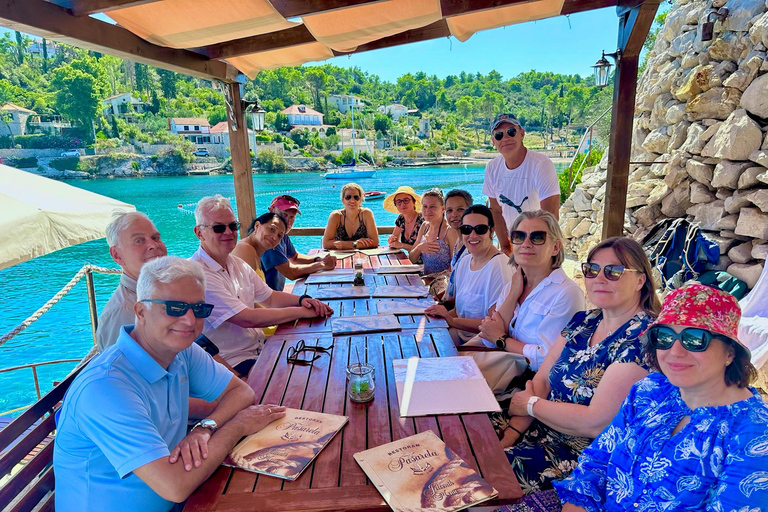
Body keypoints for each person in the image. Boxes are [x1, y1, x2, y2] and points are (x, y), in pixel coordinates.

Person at [54, 256, 287, 512]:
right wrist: (238, 426)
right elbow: (175, 486)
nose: (189, 321)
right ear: (141, 311)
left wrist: (206, 428)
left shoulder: (180, 350)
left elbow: (241, 391)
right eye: (174, 308)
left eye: (199, 309)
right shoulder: (106, 387)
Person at [555, 283, 768, 511]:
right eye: (664, 336)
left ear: (730, 352)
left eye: (695, 339)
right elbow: (596, 461)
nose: (675, 351)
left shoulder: (754, 434)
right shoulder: (650, 390)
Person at [500, 237, 660, 495]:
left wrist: (530, 405)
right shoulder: (584, 321)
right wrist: (510, 434)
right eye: (592, 270)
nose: (600, 278)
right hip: (536, 427)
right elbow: (540, 381)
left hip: (579, 456)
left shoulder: (642, 338)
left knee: (475, 479)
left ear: (640, 280)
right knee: (465, 437)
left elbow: (595, 422)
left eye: (614, 271)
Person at [190, 195, 333, 378]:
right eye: (219, 228)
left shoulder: (236, 263)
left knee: (320, 364)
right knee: (308, 377)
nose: (228, 232)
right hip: (233, 363)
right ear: (199, 233)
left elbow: (271, 297)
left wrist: (303, 300)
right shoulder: (199, 274)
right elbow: (247, 318)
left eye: (233, 226)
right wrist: (302, 311)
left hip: (259, 349)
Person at [478, 211, 585, 373]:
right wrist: (513, 295)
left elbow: (546, 360)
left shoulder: (567, 293)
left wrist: (502, 340)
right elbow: (488, 339)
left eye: (537, 237)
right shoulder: (512, 286)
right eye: (519, 236)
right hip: (503, 371)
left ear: (555, 247)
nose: (526, 243)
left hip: (531, 385)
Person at [425, 205, 512, 345]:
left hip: (482, 343)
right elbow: (460, 311)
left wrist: (450, 319)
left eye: (480, 229)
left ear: (492, 231)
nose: (472, 235)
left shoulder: (499, 267)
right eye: (466, 229)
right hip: (459, 334)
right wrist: (440, 313)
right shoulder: (465, 262)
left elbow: (495, 323)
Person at [482, 113, 560, 256]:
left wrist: (539, 248)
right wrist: (505, 246)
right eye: (499, 135)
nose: (505, 138)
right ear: (494, 141)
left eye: (511, 132)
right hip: (513, 244)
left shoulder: (541, 164)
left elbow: (551, 215)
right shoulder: (492, 168)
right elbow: (496, 210)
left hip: (540, 241)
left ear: (522, 133)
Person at [96, 211, 167, 352]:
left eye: (156, 238)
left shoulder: (161, 293)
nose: (153, 245)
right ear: (117, 255)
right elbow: (119, 371)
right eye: (139, 240)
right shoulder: (122, 315)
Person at [261, 195, 336, 291]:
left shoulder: (282, 235)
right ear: (271, 210)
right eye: (284, 215)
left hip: (273, 296)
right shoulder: (269, 239)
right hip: (266, 302)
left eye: (292, 217)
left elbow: (295, 257)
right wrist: (322, 265)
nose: (287, 221)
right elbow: (291, 273)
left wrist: (319, 260)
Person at [232, 212, 287, 337]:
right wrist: (276, 317)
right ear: (257, 226)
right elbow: (243, 299)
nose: (274, 237)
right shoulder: (245, 249)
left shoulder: (256, 253)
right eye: (271, 229)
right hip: (253, 328)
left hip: (261, 319)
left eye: (279, 236)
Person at [409, 188, 458, 276]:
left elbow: (455, 265)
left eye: (432, 206)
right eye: (425, 206)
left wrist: (434, 280)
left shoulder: (450, 231)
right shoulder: (424, 226)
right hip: (425, 279)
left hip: (443, 283)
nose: (427, 211)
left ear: (443, 209)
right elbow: (411, 259)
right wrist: (420, 248)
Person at [322, 183, 379, 250]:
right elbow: (326, 243)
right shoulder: (336, 216)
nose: (352, 200)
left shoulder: (366, 214)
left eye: (356, 197)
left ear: (360, 200)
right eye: (348, 197)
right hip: (340, 258)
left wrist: (348, 245)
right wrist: (356, 244)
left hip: (363, 258)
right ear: (343, 200)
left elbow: (375, 242)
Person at [444, 189, 472, 301]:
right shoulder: (458, 242)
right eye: (449, 210)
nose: (454, 215)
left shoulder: (472, 246)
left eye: (460, 209)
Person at [384, 186, 423, 251]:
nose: (402, 204)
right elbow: (394, 239)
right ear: (395, 205)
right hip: (410, 259)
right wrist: (391, 240)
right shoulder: (401, 219)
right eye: (399, 201)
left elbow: (424, 250)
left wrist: (402, 245)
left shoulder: (422, 220)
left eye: (406, 200)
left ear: (414, 202)